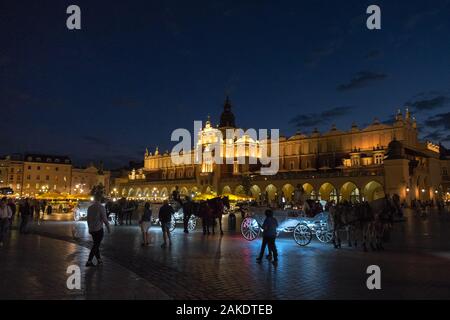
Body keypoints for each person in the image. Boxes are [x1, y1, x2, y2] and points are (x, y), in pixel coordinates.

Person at [86, 192, 110, 267]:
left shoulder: (90, 208)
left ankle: (99, 260)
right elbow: (105, 219)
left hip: (92, 229)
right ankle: (89, 261)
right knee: (96, 245)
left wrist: (89, 228)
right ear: (100, 199)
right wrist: (108, 227)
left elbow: (88, 219)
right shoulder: (101, 207)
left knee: (96, 244)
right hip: (99, 229)